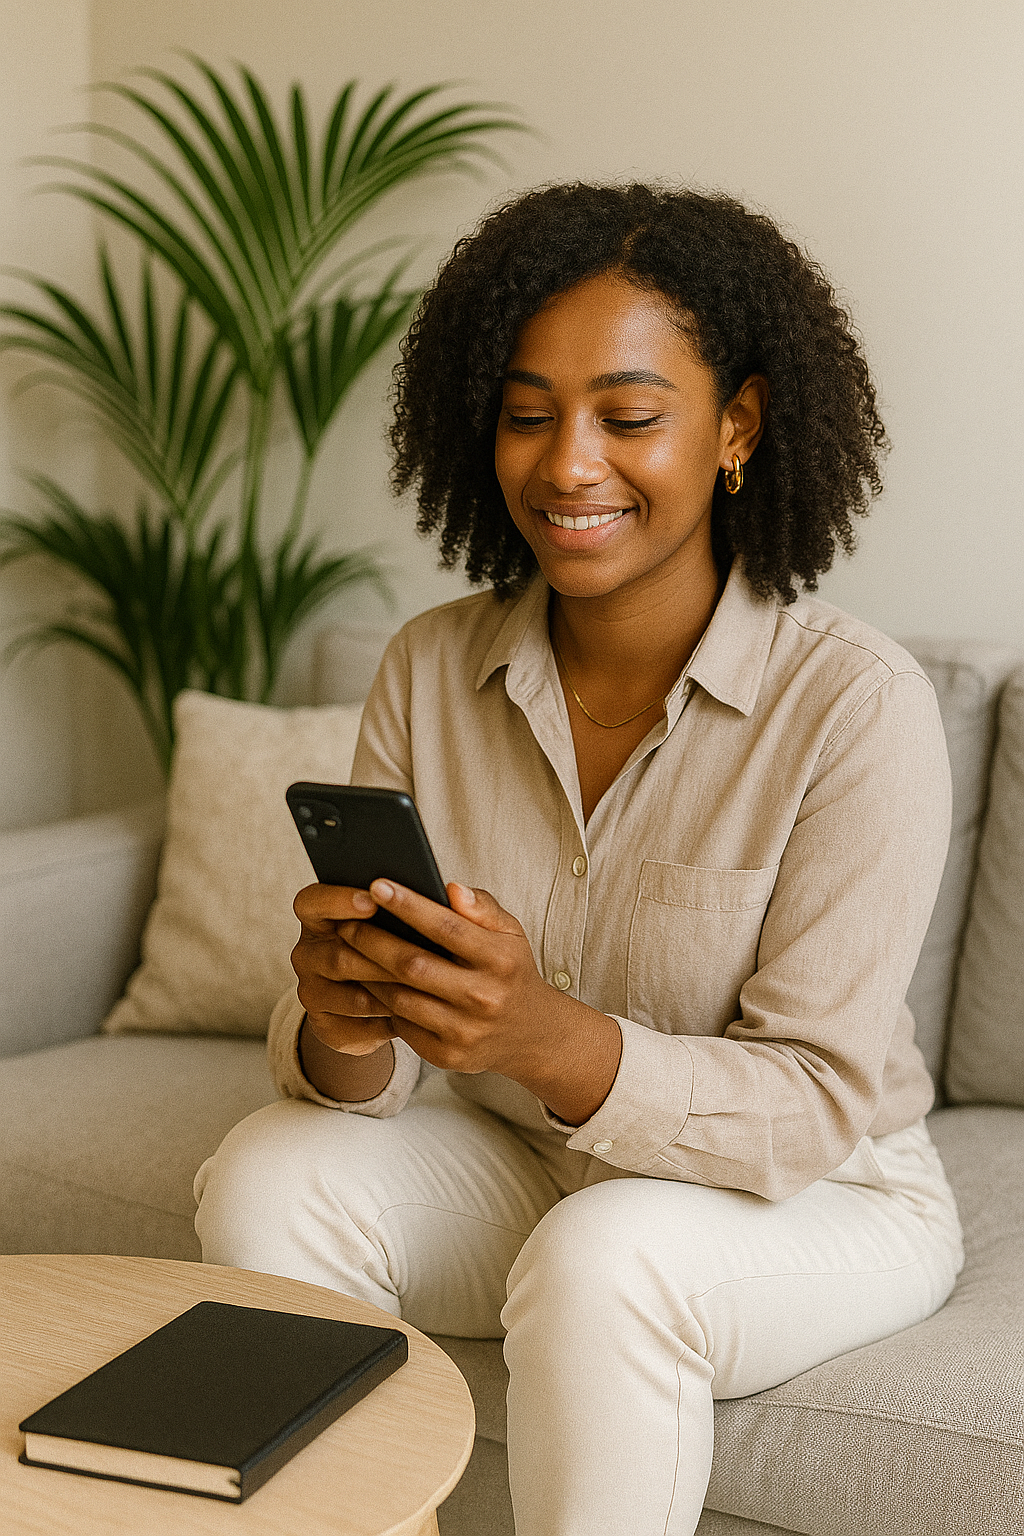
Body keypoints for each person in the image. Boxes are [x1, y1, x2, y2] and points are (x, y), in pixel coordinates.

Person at [194, 183, 964, 1536]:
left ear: (738, 427)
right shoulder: (432, 667)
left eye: (629, 416)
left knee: (609, 1257)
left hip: (818, 1192)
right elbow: (361, 1083)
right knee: (268, 1170)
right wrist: (344, 1021)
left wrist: (552, 1037)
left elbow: (812, 1103)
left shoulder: (856, 707)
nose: (568, 466)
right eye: (529, 414)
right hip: (521, 1163)